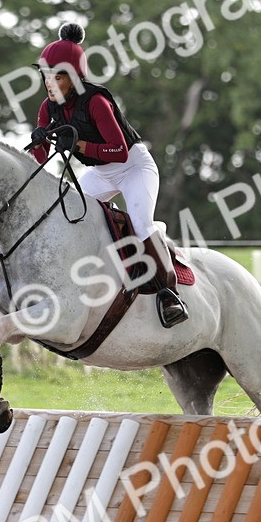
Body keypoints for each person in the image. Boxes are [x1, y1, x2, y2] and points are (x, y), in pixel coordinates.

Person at [28, 23, 189, 328]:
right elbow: (40, 160)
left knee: (141, 223)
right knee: (64, 212)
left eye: (57, 76)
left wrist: (79, 144)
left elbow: (120, 151)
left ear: (74, 78)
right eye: (46, 75)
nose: (49, 83)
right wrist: (39, 142)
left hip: (134, 168)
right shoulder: (48, 108)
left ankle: (169, 293)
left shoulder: (96, 102)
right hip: (101, 173)